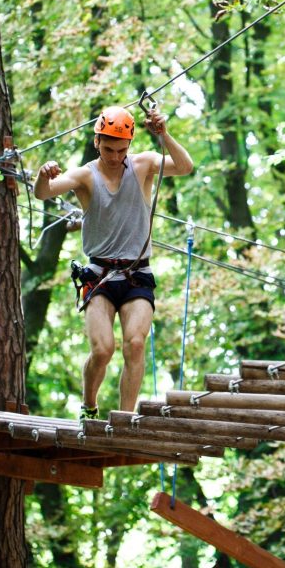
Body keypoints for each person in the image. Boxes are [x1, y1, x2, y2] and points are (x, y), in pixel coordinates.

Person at [34, 105, 194, 418]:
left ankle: (124, 418)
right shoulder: (85, 175)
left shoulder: (143, 164)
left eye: (121, 149)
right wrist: (43, 175)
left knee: (135, 344)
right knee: (103, 349)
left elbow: (185, 166)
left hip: (137, 274)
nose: (114, 156)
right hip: (99, 276)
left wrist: (164, 135)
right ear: (97, 142)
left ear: (129, 145)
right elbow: (44, 193)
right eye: (108, 148)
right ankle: (89, 406)